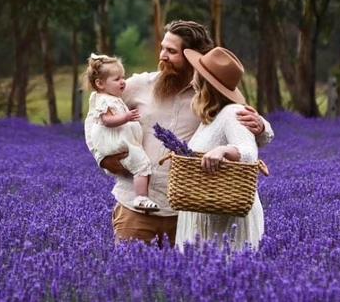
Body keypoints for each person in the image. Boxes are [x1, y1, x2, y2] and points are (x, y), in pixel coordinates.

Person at [84, 20, 274, 247]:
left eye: (171, 51)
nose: (162, 55)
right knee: (130, 279)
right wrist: (103, 158)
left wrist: (262, 127)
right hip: (135, 211)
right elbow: (95, 117)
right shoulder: (138, 85)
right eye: (162, 48)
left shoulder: (209, 94)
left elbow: (241, 127)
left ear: (193, 56)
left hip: (186, 214)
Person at [175, 47, 263, 251]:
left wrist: (224, 151)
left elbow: (249, 154)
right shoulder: (211, 118)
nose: (191, 81)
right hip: (206, 213)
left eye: (196, 74)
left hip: (224, 224)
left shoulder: (233, 113)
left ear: (205, 82)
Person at [82, 54, 159, 212]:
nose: (123, 81)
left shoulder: (113, 97)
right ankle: (141, 197)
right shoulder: (103, 100)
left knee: (140, 165)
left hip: (122, 141)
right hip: (117, 142)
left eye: (123, 77)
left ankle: (141, 196)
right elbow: (106, 120)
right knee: (142, 166)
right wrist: (126, 117)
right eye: (117, 79)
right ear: (100, 84)